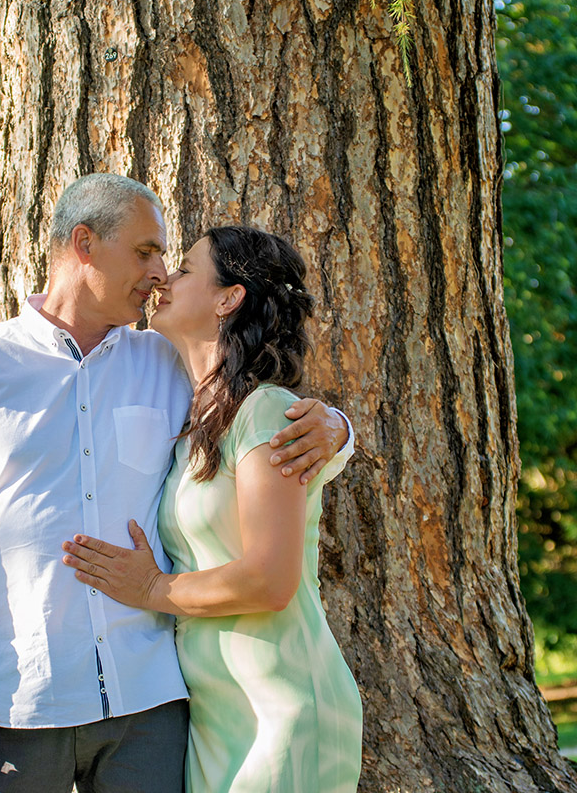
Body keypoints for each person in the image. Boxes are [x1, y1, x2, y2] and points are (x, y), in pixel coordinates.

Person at [0, 174, 353, 793]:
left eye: (167, 258)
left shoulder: (169, 363)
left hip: (152, 705)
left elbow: (254, 421)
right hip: (18, 701)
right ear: (83, 243)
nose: (160, 272)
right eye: (145, 252)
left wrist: (336, 431)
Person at [61, 226, 364, 792]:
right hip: (215, 717)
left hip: (283, 709)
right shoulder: (193, 420)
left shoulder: (266, 411)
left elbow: (271, 580)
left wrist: (154, 589)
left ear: (228, 298)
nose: (163, 281)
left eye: (183, 270)